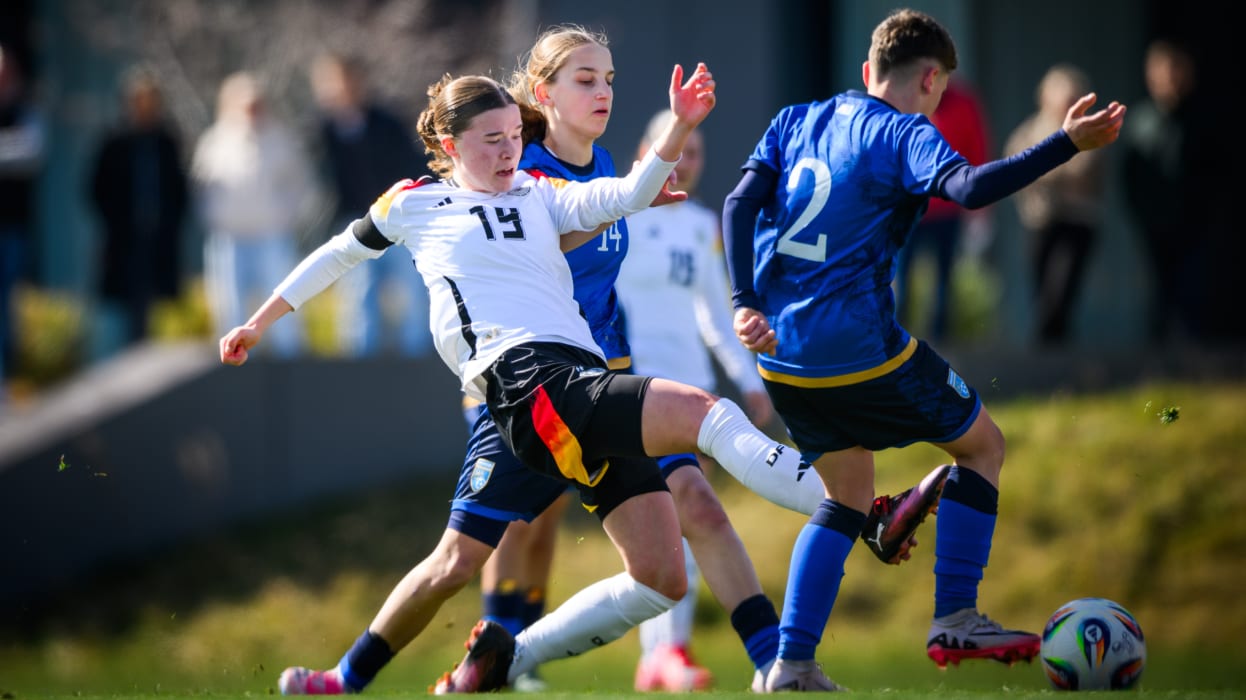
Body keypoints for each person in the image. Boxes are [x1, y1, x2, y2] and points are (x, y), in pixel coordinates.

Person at [226, 63, 773, 697]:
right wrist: (258, 322)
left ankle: (503, 662)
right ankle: (343, 679)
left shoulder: (537, 192)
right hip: (517, 393)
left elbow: (625, 194)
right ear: (451, 145)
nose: (510, 149)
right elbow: (337, 254)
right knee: (456, 562)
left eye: (515, 135)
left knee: (662, 575)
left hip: (571, 384)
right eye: (492, 139)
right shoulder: (414, 203)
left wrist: (677, 127)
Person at [722, 8, 1125, 691]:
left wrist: (743, 301)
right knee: (983, 446)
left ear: (867, 70)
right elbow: (968, 189)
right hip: (857, 346)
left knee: (846, 496)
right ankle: (955, 617)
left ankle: (791, 663)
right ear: (932, 80)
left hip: (780, 351)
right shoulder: (904, 131)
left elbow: (738, 203)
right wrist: (1064, 144)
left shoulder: (796, 119)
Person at [615, 108, 774, 692]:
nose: (684, 161)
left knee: (690, 521)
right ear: (647, 150)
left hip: (691, 396)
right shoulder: (616, 215)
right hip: (634, 394)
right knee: (667, 521)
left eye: (696, 152)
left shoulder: (704, 224)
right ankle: (663, 649)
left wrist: (749, 379)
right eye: (674, 147)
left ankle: (664, 652)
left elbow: (717, 312)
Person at [309, 52, 433, 358]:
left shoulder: (387, 123)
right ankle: (359, 363)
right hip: (353, 222)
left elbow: (412, 165)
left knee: (412, 292)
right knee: (358, 296)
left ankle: (418, 360)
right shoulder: (323, 130)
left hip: (396, 219)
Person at [192, 71, 320, 358]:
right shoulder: (215, 142)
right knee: (230, 309)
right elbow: (202, 186)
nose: (251, 111)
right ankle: (234, 364)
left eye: (256, 104)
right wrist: (215, 215)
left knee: (284, 304)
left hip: (272, 235)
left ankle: (290, 365)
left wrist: (284, 215)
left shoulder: (280, 141)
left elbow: (301, 185)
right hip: (229, 237)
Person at [1120, 39, 1216, 343]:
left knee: (1194, 289)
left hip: (1195, 224)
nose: (1170, 78)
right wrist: (1144, 215)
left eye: (1176, 69)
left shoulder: (1203, 120)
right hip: (1155, 225)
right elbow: (1130, 178)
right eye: (1162, 70)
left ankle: (1195, 353)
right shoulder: (1140, 121)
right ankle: (1159, 353)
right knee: (1160, 291)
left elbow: (1216, 173)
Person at [1004, 64, 1109, 345]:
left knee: (1063, 286)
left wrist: (1043, 169)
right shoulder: (1031, 131)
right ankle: (1048, 346)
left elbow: (1085, 170)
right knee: (1042, 286)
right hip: (1040, 220)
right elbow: (1012, 167)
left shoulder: (1087, 130)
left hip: (1078, 220)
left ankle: (1054, 342)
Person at [87, 66, 189, 352]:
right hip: (124, 239)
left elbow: (179, 190)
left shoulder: (166, 141)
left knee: (156, 304)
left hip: (158, 237)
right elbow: (96, 189)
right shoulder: (114, 141)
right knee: (121, 309)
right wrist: (117, 221)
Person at [892, 77, 991, 341]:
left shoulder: (964, 102)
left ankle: (939, 344)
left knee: (943, 281)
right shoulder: (908, 98)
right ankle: (895, 341)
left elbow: (976, 149)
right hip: (910, 209)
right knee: (901, 278)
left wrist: (979, 208)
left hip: (948, 208)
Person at [0, 42, 42, 390]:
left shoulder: (24, 110)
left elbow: (31, 151)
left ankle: (9, 377)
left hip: (11, 227)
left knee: (7, 306)